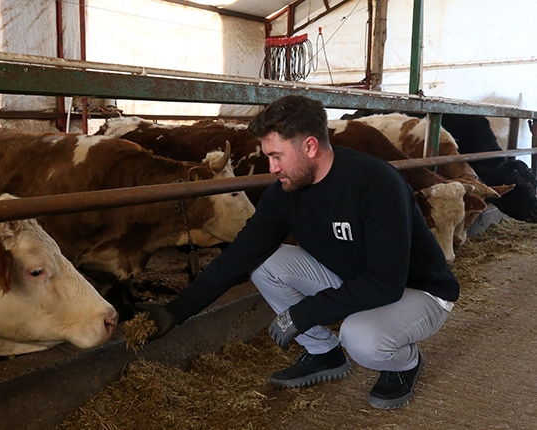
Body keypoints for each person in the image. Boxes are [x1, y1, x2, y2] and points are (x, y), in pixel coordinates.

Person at [138, 94, 459, 410]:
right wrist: (177, 310)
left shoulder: (375, 183)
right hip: (356, 278)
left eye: (277, 156)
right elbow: (241, 254)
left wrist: (304, 314)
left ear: (309, 146)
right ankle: (323, 352)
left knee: (361, 338)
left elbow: (386, 283)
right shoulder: (286, 192)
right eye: (268, 156)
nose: (272, 167)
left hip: (416, 291)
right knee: (265, 264)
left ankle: (406, 363)